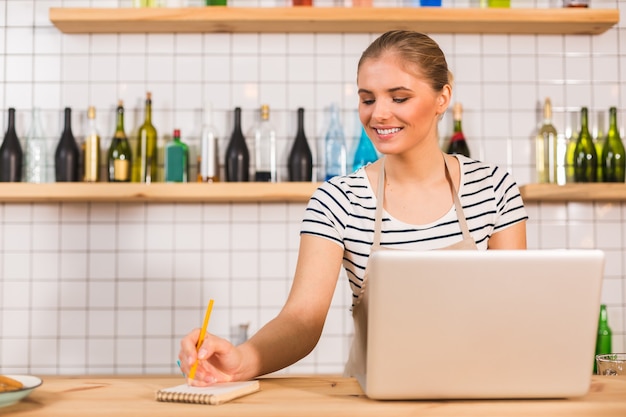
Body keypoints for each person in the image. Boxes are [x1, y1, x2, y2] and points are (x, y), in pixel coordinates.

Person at [178, 30, 528, 385]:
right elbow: (301, 320)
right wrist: (242, 360)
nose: (379, 114)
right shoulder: (337, 200)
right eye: (367, 99)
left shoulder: (494, 188)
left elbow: (513, 311)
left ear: (443, 98)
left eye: (399, 97)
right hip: (375, 399)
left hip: (484, 392)